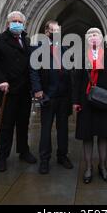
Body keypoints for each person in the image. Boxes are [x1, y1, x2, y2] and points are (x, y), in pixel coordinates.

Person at [0, 11, 37, 172]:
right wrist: (0, 80)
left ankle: (23, 151)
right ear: (8, 24)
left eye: (20, 21)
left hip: (24, 90)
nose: (17, 24)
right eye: (14, 21)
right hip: (8, 89)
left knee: (23, 123)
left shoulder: (26, 41)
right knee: (6, 124)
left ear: (23, 24)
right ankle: (2, 156)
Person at [72, 28, 107, 184]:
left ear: (102, 39)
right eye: (91, 35)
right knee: (87, 136)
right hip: (86, 101)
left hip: (104, 101)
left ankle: (103, 166)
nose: (94, 37)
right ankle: (88, 167)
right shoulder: (80, 58)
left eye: (97, 35)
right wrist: (75, 101)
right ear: (87, 39)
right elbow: (76, 82)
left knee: (103, 135)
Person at [30, 20, 73, 174]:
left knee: (63, 128)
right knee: (46, 128)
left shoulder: (64, 48)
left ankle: (62, 156)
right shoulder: (38, 48)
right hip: (48, 95)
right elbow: (34, 71)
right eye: (54, 30)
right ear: (47, 31)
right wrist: (38, 90)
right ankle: (44, 159)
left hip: (63, 96)